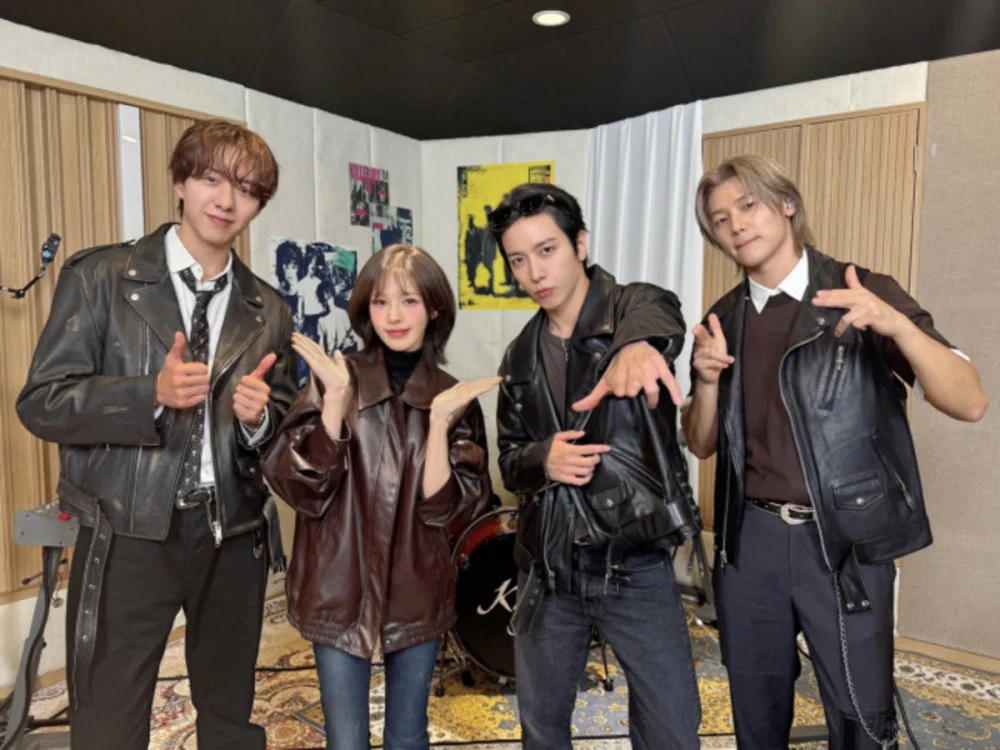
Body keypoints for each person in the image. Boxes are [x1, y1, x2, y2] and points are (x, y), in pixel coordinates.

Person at [682, 154, 989, 750]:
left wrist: (897, 326)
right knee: (755, 717)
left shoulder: (862, 291)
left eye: (748, 205)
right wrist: (708, 383)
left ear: (787, 204)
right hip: (749, 544)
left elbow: (970, 401)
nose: (736, 224)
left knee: (861, 722)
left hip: (844, 542)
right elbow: (700, 442)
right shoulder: (722, 318)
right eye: (719, 219)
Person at [16, 119, 298, 749]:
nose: (226, 200)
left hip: (233, 535)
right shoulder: (99, 278)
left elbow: (282, 432)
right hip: (125, 533)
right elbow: (41, 403)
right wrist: (149, 394)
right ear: (180, 182)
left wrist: (260, 422)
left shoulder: (268, 309)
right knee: (108, 723)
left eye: (247, 189)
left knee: (230, 720)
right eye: (212, 178)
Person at [489, 183, 702, 750]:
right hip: (549, 565)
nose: (535, 272)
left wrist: (635, 347)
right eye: (518, 259)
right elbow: (509, 462)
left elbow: (661, 312)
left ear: (579, 244)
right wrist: (544, 458)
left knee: (672, 729)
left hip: (633, 562)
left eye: (547, 250)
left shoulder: (632, 307)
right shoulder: (519, 356)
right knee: (541, 727)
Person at [263, 244, 498, 750]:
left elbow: (447, 510)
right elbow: (303, 488)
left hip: (417, 587)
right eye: (380, 301)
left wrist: (439, 425)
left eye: (409, 301)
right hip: (337, 584)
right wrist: (334, 404)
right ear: (365, 309)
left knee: (407, 736)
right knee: (346, 740)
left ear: (434, 309)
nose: (394, 316)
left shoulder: (451, 398)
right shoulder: (336, 378)